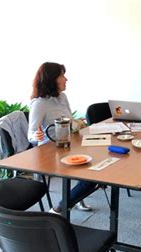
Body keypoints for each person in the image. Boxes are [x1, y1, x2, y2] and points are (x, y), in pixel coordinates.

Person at [27, 62, 96, 213]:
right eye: (62, 76)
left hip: (67, 145)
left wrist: (78, 124)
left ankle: (74, 198)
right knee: (91, 176)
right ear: (52, 79)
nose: (66, 79)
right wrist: (36, 135)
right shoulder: (39, 103)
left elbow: (69, 121)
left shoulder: (63, 97)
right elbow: (30, 134)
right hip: (50, 152)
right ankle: (59, 208)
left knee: (96, 163)